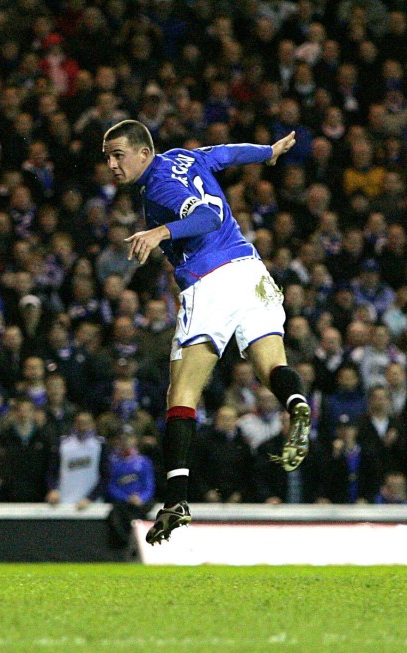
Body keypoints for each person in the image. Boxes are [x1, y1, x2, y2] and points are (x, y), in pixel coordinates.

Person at [102, 120, 311, 544]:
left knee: (181, 393)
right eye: (107, 156)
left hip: (211, 281)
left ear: (144, 153)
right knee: (272, 365)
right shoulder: (183, 157)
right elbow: (227, 153)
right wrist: (267, 151)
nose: (111, 164)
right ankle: (296, 401)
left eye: (118, 155)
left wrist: (161, 231)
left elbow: (209, 214)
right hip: (253, 272)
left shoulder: (160, 186)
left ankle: (176, 498)